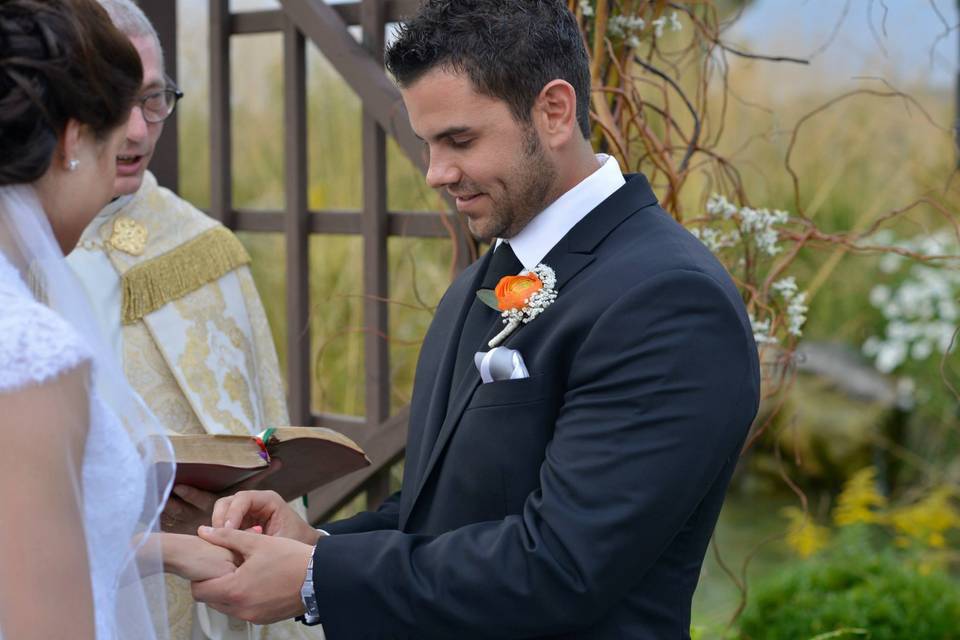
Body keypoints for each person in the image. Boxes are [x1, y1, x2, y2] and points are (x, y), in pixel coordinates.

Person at [189, 0, 761, 637]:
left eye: (459, 140)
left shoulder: (670, 300)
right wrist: (312, 543)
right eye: (427, 143)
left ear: (554, 111)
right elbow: (440, 513)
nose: (437, 173)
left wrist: (316, 576)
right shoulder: (479, 285)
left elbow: (561, 566)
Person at [63, 1, 319, 638]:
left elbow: (256, 427)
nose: (139, 130)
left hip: (202, 593)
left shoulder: (203, 248)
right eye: (113, 99)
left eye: (155, 99)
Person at [0, 1, 236, 638]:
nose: (123, 161)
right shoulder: (28, 350)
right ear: (75, 140)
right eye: (111, 141)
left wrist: (166, 550)